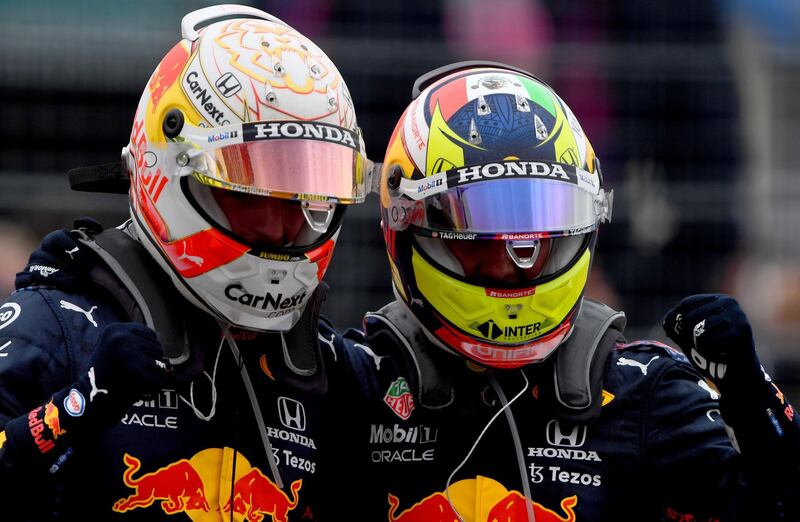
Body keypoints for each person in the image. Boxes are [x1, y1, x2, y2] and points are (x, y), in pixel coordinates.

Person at [338, 62, 800, 520]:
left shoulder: (642, 391)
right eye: (480, 230)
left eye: (540, 226)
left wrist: (753, 402)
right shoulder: (353, 382)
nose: (514, 261)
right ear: (407, 224)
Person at [0, 5, 371, 521]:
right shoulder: (56, 328)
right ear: (169, 168)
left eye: (304, 200)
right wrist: (76, 407)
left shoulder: (329, 367)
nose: (284, 228)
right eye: (253, 194)